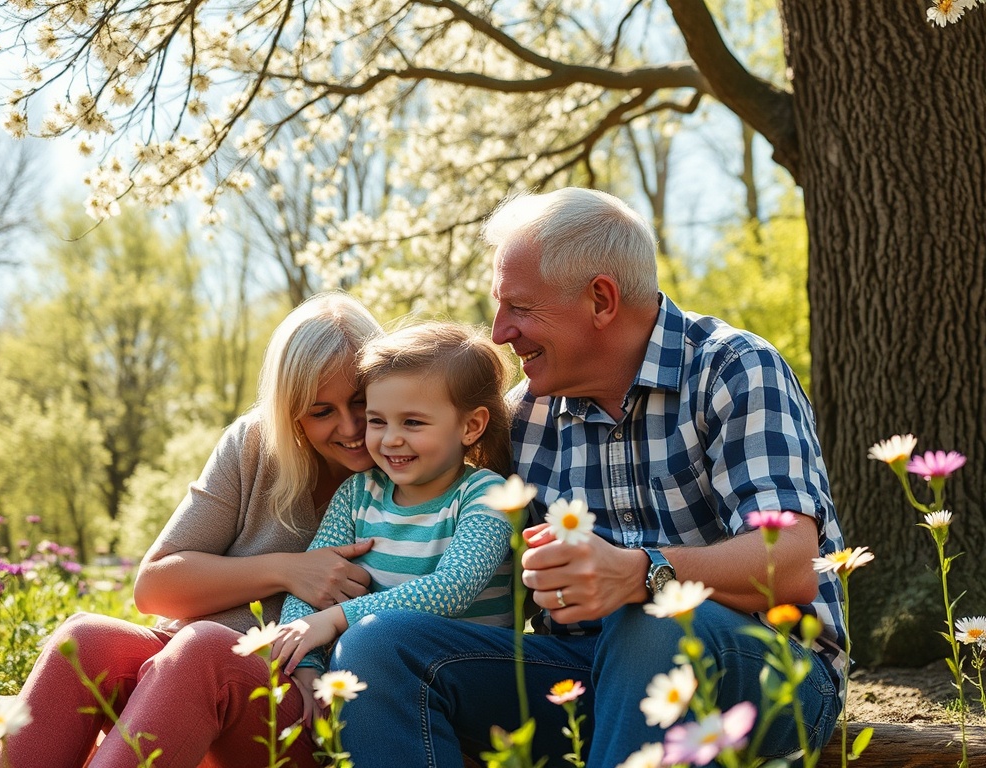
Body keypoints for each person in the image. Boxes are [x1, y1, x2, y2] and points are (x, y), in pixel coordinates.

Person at [330, 188, 848, 767]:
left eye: (521, 308)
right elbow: (433, 510)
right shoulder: (522, 415)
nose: (500, 332)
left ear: (601, 299)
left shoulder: (733, 370)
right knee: (377, 647)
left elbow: (796, 564)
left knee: (654, 623)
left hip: (767, 673)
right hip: (580, 676)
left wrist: (641, 573)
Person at [0, 291, 383, 768]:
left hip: (297, 707)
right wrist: (287, 570)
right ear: (291, 411)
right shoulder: (256, 445)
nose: (351, 426)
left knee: (205, 652)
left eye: (361, 401)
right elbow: (155, 587)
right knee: (86, 639)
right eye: (321, 411)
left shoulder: (411, 470)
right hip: (180, 675)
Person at [270, 321, 516, 725]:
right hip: (377, 681)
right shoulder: (358, 493)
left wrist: (333, 620)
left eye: (413, 423)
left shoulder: (486, 494)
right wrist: (308, 663)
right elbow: (311, 585)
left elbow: (451, 590)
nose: (389, 440)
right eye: (378, 421)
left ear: (471, 426)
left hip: (471, 683)